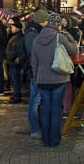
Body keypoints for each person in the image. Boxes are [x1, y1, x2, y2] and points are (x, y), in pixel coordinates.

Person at [30, 14, 78, 148]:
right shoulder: (60, 37)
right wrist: (67, 34)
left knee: (45, 109)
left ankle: (45, 140)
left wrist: (36, 78)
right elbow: (74, 50)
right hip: (59, 78)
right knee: (56, 110)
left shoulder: (36, 39)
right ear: (58, 25)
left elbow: (33, 62)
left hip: (42, 79)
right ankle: (55, 140)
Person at [24, 10, 46, 140]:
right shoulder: (32, 34)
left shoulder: (36, 32)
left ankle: (38, 127)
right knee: (35, 101)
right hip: (36, 73)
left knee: (38, 101)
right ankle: (34, 129)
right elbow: (33, 55)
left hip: (39, 72)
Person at [5, 21, 25, 104]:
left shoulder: (19, 37)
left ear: (17, 28)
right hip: (12, 61)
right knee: (14, 80)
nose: (11, 29)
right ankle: (15, 95)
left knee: (16, 80)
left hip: (15, 62)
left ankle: (17, 96)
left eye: (12, 27)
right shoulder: (15, 36)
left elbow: (17, 49)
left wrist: (15, 58)